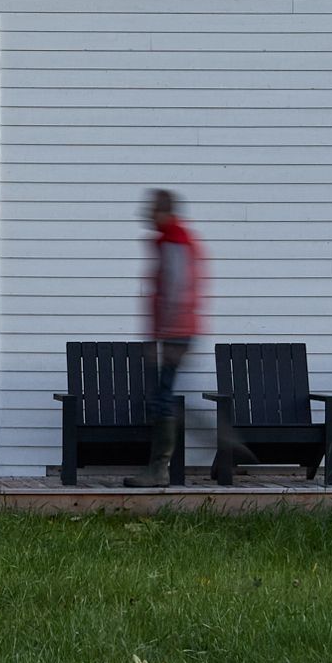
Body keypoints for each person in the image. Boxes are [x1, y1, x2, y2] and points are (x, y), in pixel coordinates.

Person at [129, 190, 206, 485]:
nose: (147, 215)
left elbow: (177, 289)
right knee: (163, 395)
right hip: (173, 331)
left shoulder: (174, 241)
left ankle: (159, 470)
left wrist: (167, 335)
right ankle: (215, 435)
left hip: (176, 332)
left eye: (152, 210)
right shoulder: (171, 240)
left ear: (163, 212)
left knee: (162, 398)